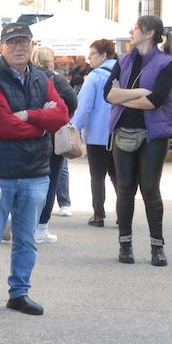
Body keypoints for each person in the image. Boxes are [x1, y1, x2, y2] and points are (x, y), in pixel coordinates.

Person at [0, 23, 69, 316]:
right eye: (12, 42)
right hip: (0, 172)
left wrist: (27, 115)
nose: (19, 47)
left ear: (32, 45)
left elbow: (61, 115)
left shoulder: (42, 78)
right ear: (1, 47)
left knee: (26, 239)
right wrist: (42, 125)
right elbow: (2, 126)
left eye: (24, 42)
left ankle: (19, 292)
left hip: (36, 171)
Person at [104, 15, 172, 266]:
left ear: (148, 33)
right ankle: (124, 245)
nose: (131, 31)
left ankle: (157, 247)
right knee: (124, 189)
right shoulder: (123, 60)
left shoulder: (169, 63)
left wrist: (121, 96)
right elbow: (108, 94)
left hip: (153, 134)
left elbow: (155, 100)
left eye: (135, 28)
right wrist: (137, 93)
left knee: (150, 189)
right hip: (122, 131)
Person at [31, 45, 77, 244]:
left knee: (27, 181)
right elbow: (73, 101)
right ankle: (41, 228)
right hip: (53, 137)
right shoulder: (55, 79)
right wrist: (61, 115)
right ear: (50, 60)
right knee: (50, 181)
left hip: (28, 135)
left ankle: (18, 221)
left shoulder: (27, 77)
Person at [72, 39, 118, 224]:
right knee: (118, 175)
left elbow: (84, 107)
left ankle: (98, 214)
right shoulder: (124, 72)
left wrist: (75, 127)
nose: (89, 58)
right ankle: (123, 215)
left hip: (98, 133)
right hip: (118, 132)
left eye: (92, 54)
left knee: (98, 175)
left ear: (103, 55)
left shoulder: (95, 76)